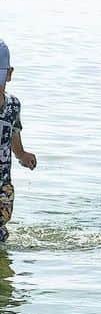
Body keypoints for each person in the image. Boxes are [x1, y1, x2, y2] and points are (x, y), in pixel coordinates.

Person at [0, 42, 37, 246]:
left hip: (2, 184)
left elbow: (14, 138)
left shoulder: (13, 106)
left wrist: (22, 155)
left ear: (9, 74)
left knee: (2, 219)